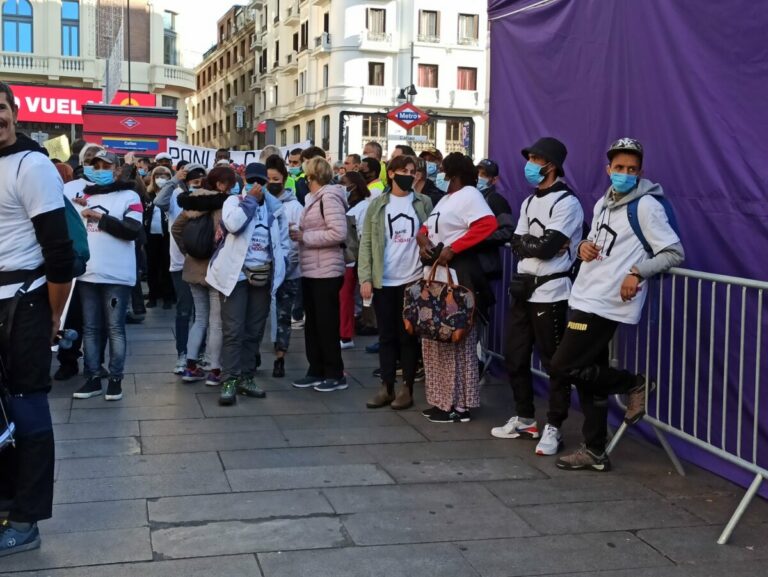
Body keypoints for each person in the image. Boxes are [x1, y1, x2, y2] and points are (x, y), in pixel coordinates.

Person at [552, 138, 684, 471]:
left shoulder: (646, 206)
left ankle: (633, 384)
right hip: (586, 293)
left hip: (607, 302)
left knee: (563, 366)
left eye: (632, 169)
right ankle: (595, 449)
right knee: (586, 375)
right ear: (607, 168)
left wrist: (637, 272)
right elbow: (600, 243)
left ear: (640, 172)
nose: (625, 174)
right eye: (619, 168)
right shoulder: (602, 203)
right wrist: (583, 246)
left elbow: (673, 252)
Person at [0, 82, 75, 557]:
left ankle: (26, 520)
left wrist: (50, 315)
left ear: (14, 112)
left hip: (25, 303)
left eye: (1, 109)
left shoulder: (32, 165)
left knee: (27, 409)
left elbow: (60, 256)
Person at [491, 138, 584, 456]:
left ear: (552, 165)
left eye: (536, 158)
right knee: (514, 357)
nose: (530, 164)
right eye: (529, 157)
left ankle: (554, 426)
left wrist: (539, 243)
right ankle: (525, 417)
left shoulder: (567, 203)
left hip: (551, 292)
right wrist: (538, 242)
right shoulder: (530, 201)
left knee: (555, 363)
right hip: (524, 289)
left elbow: (546, 247)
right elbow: (517, 241)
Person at [416, 152, 498, 423]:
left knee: (452, 338)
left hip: (454, 277)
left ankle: (455, 403)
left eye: (442, 169)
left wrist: (454, 248)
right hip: (437, 274)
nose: (438, 173)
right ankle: (449, 401)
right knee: (440, 337)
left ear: (453, 172)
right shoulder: (446, 199)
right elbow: (428, 228)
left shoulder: (470, 195)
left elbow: (487, 224)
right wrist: (422, 239)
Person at [206, 163, 289, 406]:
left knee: (254, 331)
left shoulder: (276, 209)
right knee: (233, 330)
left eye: (260, 181)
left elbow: (282, 242)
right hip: (236, 277)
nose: (256, 185)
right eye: (251, 180)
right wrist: (250, 201)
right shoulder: (233, 202)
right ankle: (230, 379)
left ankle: (246, 376)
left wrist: (281, 267)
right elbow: (233, 225)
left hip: (262, 278)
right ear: (243, 180)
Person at [359, 155, 432, 410]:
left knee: (408, 336)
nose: (409, 175)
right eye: (404, 170)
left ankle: (407, 389)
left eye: (413, 171)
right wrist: (365, 277)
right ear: (391, 173)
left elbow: (431, 234)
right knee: (387, 335)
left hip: (412, 279)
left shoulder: (423, 202)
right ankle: (386, 387)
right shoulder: (378, 205)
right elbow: (366, 242)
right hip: (384, 279)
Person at [69, 151, 142, 403]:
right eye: (95, 165)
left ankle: (115, 379)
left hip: (116, 276)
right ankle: (92, 376)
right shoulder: (85, 196)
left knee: (115, 328)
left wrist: (100, 218)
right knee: (90, 328)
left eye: (105, 166)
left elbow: (132, 230)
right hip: (88, 274)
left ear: (118, 169)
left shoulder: (130, 196)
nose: (99, 169)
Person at [290, 157, 348, 392]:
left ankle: (335, 372)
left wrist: (305, 237)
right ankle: (316, 369)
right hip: (311, 269)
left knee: (326, 323)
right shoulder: (313, 198)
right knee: (313, 323)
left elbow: (338, 233)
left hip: (327, 270)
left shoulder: (329, 197)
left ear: (311, 176)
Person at [171, 167, 230, 386]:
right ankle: (215, 371)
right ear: (222, 185)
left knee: (199, 319)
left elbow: (176, 229)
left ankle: (190, 366)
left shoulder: (192, 201)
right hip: (215, 269)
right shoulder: (224, 204)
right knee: (216, 322)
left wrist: (188, 251)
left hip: (193, 268)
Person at [156, 163, 204, 374]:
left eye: (201, 182)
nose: (198, 186)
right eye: (194, 182)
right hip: (180, 264)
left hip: (203, 263)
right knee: (184, 310)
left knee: (202, 313)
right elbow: (159, 201)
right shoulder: (176, 194)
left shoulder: (206, 197)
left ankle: (199, 353)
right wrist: (175, 179)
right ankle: (182, 354)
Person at [265, 154, 303, 378]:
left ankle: (280, 356)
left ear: (284, 179)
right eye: (269, 178)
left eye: (276, 178)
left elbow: (296, 243)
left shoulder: (295, 207)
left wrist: (286, 269)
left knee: (283, 316)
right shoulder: (259, 204)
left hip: (288, 273)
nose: (272, 182)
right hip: (262, 271)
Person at [338, 171, 372, 350]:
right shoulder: (351, 206)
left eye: (344, 183)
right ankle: (344, 331)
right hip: (347, 257)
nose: (341, 187)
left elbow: (362, 235)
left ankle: (345, 334)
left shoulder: (363, 207)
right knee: (344, 297)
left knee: (346, 296)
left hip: (353, 258)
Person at [144, 166, 175, 309]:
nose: (161, 179)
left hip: (167, 235)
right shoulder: (147, 194)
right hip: (151, 235)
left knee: (166, 265)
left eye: (165, 176)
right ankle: (153, 296)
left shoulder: (173, 194)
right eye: (158, 176)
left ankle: (168, 296)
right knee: (152, 266)